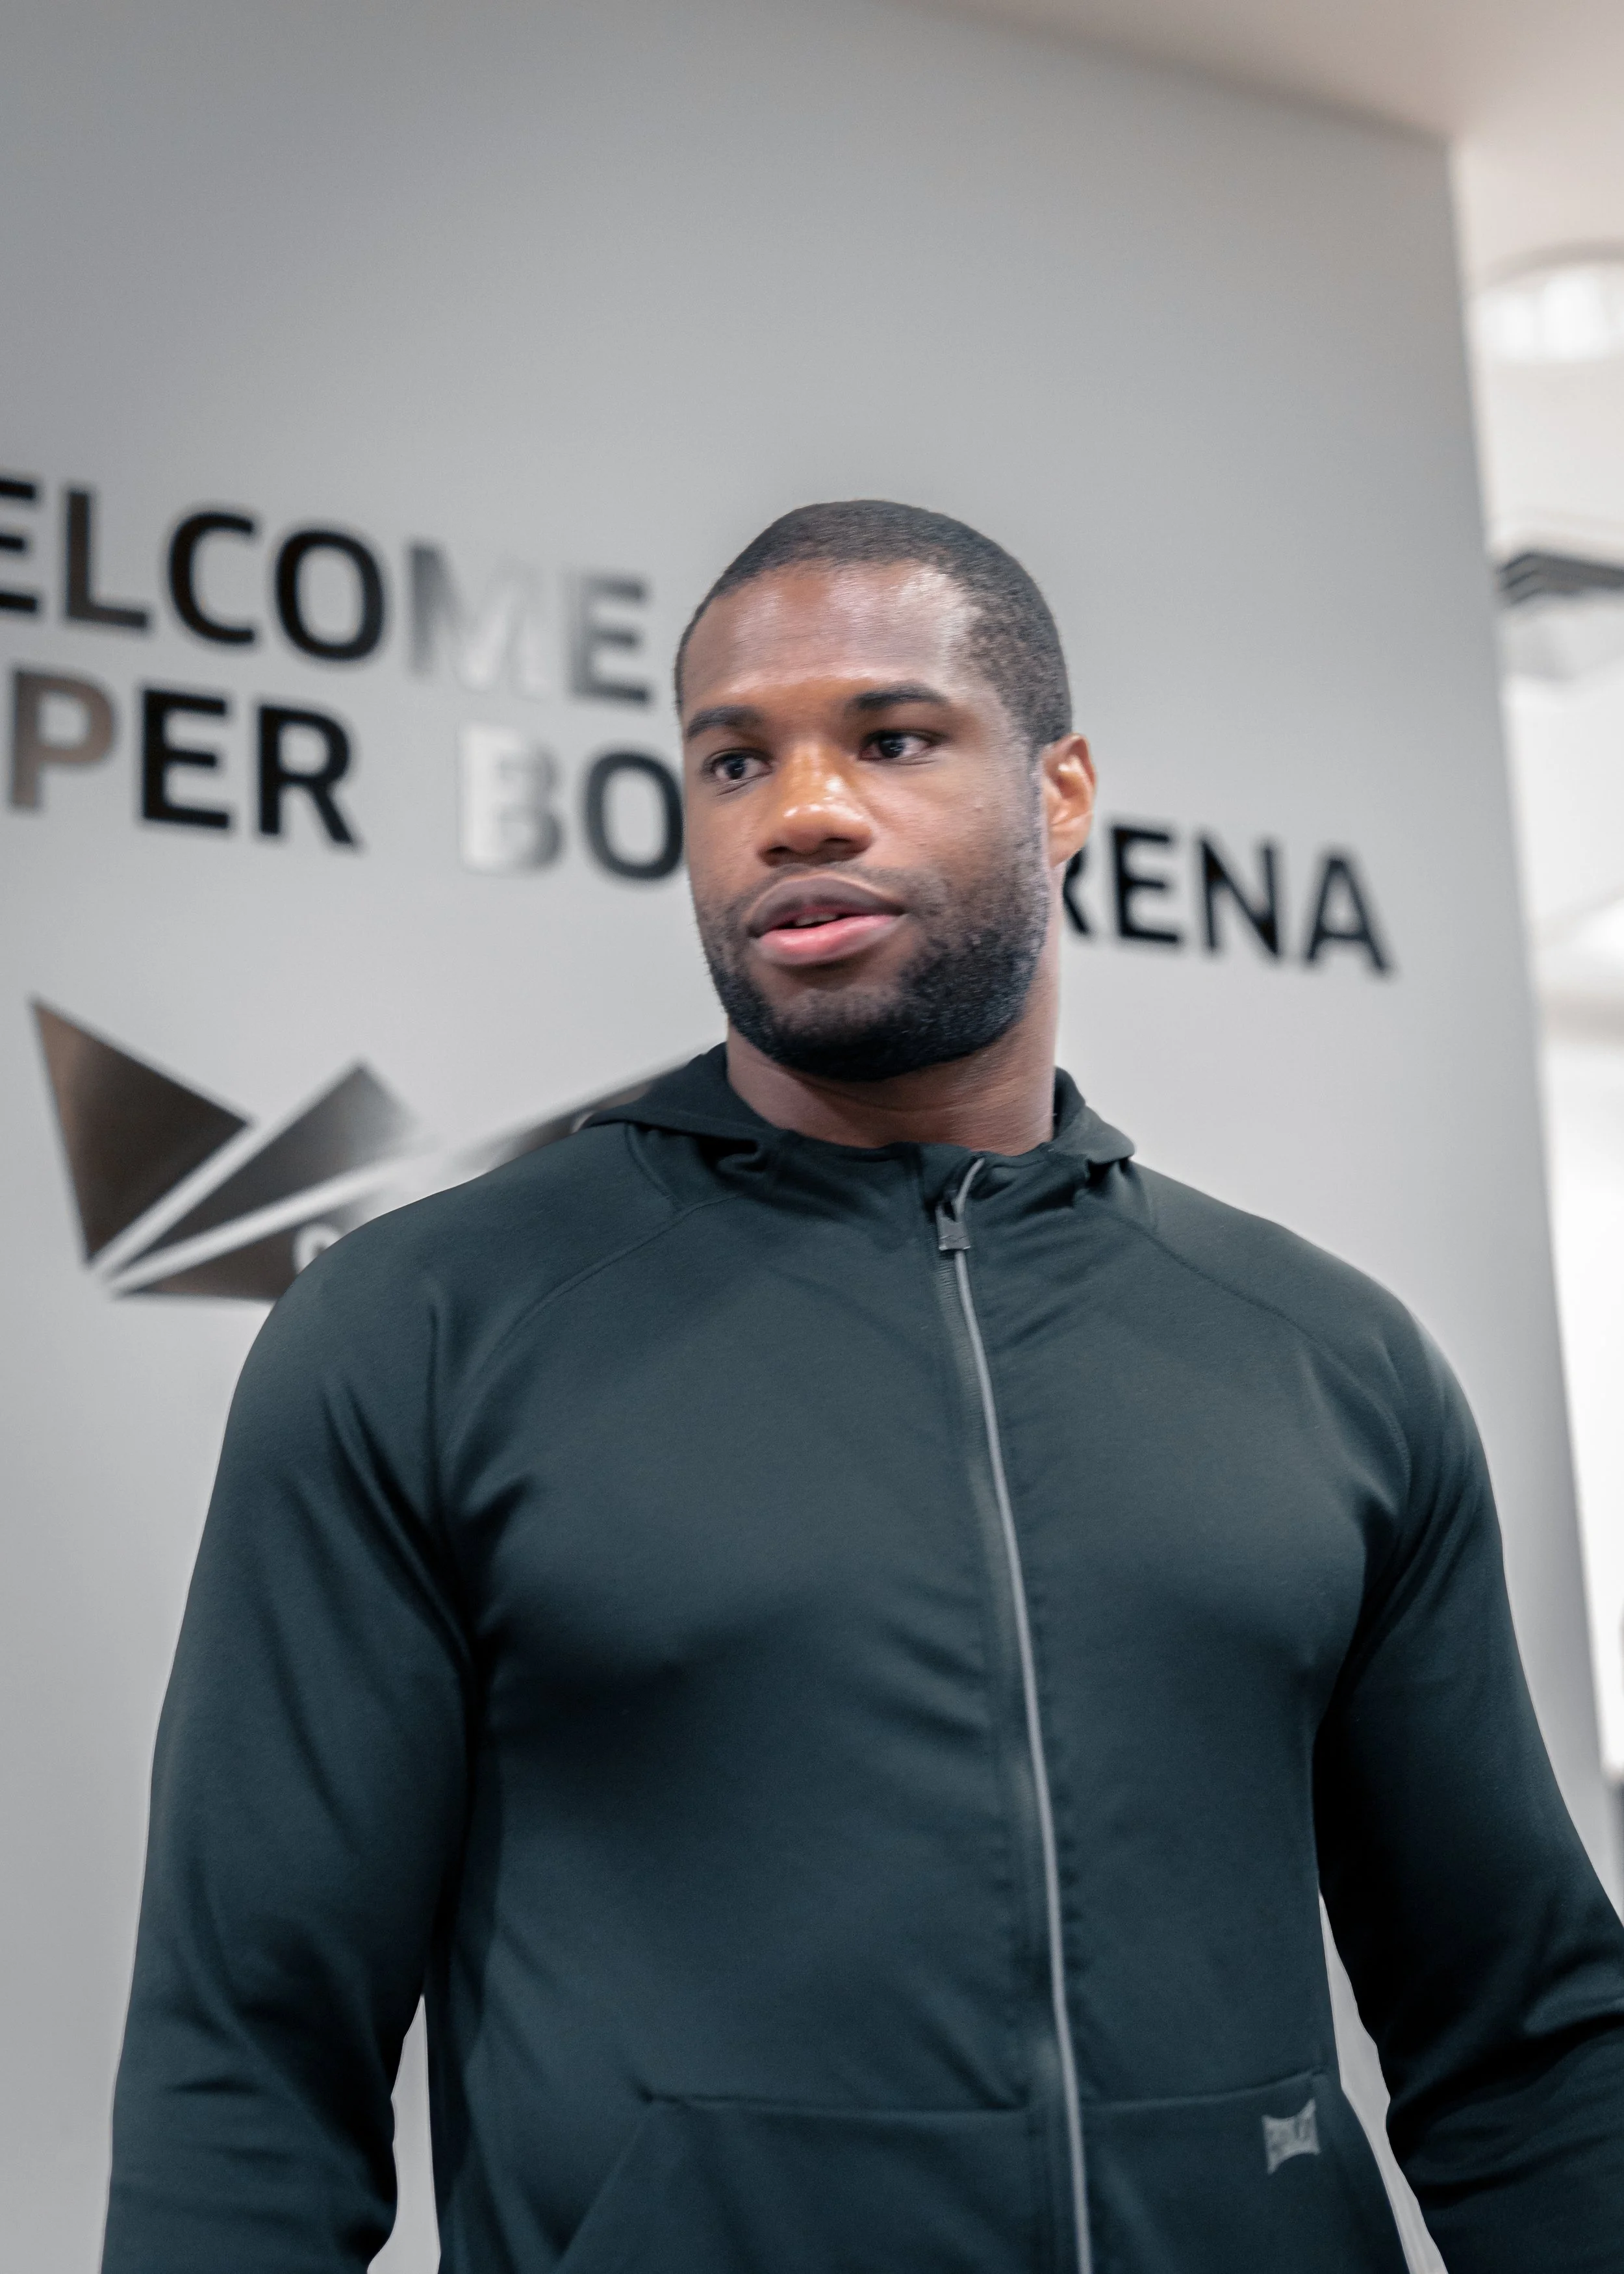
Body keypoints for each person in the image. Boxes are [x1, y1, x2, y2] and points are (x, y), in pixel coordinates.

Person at [103, 502, 1624, 2274]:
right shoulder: (424, 1327)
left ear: (1058, 792)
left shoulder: (1322, 1358)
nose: (798, 809)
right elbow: (247, 2059)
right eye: (732, 759)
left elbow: (1519, 2038)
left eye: (890, 738)